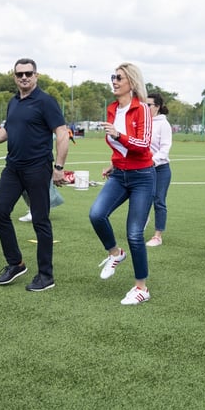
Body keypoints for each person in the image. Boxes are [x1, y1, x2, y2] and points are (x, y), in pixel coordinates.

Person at [0, 58, 68, 292]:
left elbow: (61, 133)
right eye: (20, 74)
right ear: (15, 77)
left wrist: (58, 168)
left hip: (38, 168)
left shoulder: (46, 102)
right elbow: (8, 130)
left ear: (36, 75)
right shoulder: (13, 102)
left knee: (40, 220)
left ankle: (46, 276)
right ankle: (16, 263)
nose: (24, 77)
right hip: (13, 168)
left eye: (29, 73)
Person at [90, 63, 155, 304]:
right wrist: (114, 163)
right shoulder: (112, 109)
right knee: (97, 214)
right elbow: (119, 147)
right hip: (120, 174)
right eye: (112, 77)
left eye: (119, 78)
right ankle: (115, 254)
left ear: (131, 82)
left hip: (142, 176)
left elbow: (144, 144)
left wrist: (119, 134)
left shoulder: (142, 109)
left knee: (135, 234)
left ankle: (141, 288)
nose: (114, 81)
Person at [146, 92, 172, 247]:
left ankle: (157, 235)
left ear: (157, 107)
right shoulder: (142, 121)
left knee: (159, 201)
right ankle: (143, 219)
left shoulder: (164, 124)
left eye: (148, 104)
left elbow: (165, 149)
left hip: (160, 169)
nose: (145, 107)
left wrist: (151, 161)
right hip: (144, 168)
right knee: (142, 199)